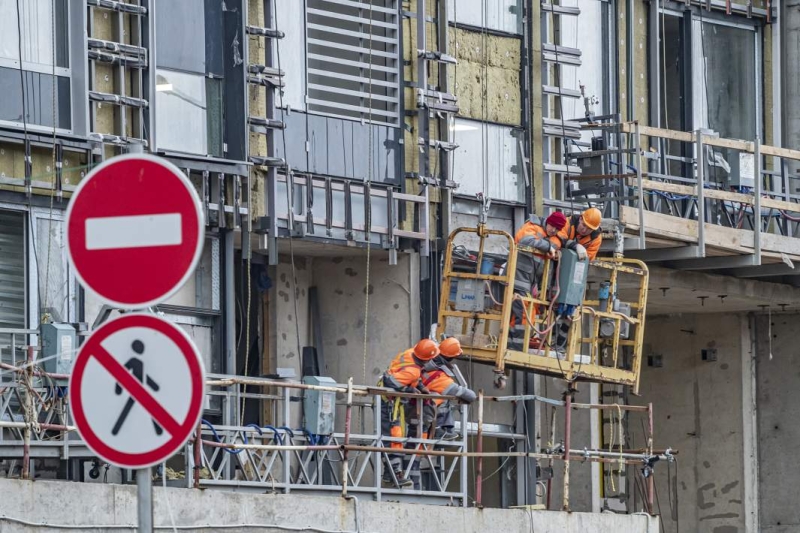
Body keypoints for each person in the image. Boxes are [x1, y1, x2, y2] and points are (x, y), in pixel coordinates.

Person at [377, 338, 439, 488]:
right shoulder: (413, 371)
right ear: (428, 359)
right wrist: (411, 389)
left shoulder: (409, 353)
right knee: (393, 437)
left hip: (391, 400)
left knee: (395, 435)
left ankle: (391, 474)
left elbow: (403, 372)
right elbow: (391, 382)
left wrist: (419, 385)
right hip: (389, 401)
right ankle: (393, 474)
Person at [508, 212, 567, 350]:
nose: (553, 230)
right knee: (522, 312)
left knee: (528, 313)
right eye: (552, 226)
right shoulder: (532, 227)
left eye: (557, 229)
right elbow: (523, 240)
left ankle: (516, 344)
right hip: (518, 277)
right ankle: (515, 347)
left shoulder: (556, 239)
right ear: (548, 221)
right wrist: (547, 247)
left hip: (532, 283)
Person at [553, 207, 603, 352]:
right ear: (580, 218)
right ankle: (550, 342)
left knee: (569, 311)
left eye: (588, 229)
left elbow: (588, 258)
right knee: (553, 307)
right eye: (583, 226)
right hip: (555, 268)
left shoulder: (596, 237)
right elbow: (557, 239)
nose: (584, 230)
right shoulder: (568, 223)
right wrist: (575, 245)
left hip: (576, 273)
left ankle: (559, 345)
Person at [420, 337, 476, 441]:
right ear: (452, 357)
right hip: (421, 408)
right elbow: (468, 395)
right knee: (444, 398)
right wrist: (471, 395)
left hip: (417, 403)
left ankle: (441, 430)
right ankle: (439, 429)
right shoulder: (440, 377)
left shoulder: (426, 361)